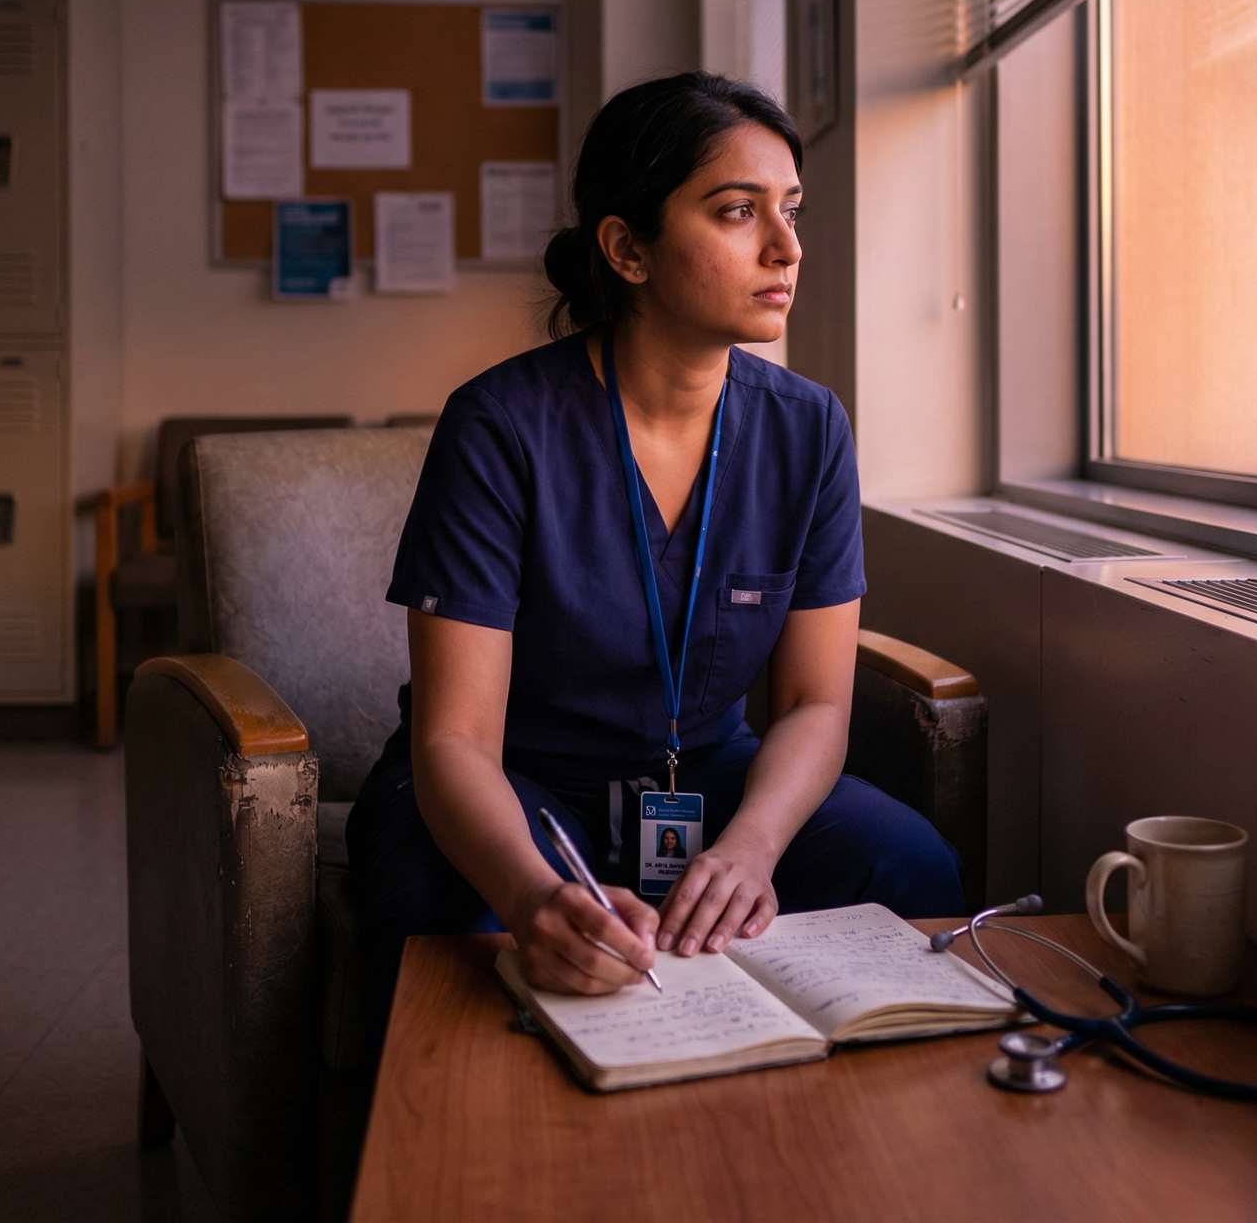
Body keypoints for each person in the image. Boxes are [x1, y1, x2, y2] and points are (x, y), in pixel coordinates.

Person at [347, 72, 963, 1055]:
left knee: (909, 867)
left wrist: (752, 846)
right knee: (468, 932)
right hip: (516, 778)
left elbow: (813, 704)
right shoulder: (501, 426)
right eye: (736, 212)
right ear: (627, 248)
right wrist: (532, 895)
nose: (787, 247)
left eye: (790, 211)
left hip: (712, 777)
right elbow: (453, 740)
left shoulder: (808, 430)